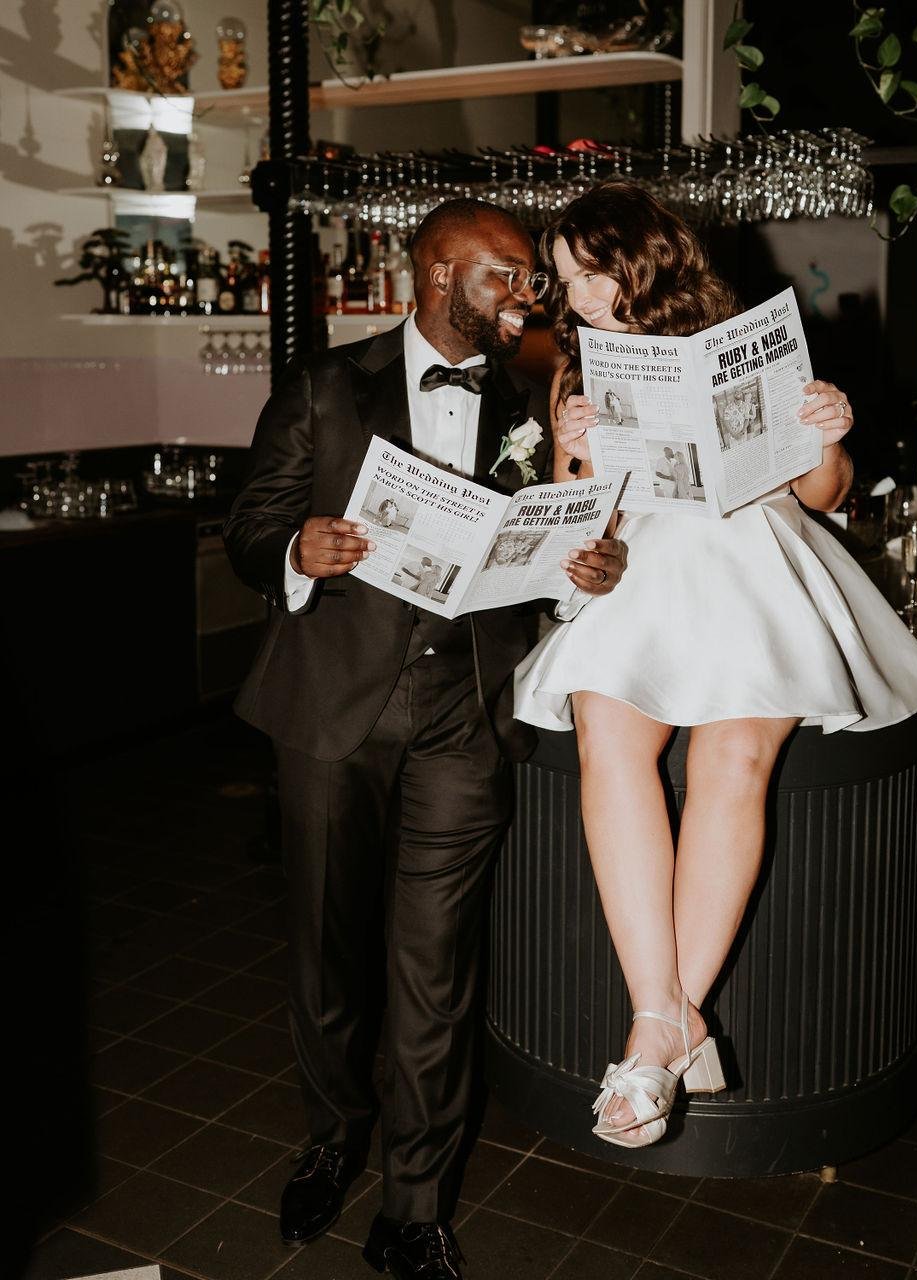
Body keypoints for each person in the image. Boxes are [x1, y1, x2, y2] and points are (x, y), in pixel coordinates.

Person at [224, 198, 626, 1275]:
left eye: (532, 280)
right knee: (326, 950)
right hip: (331, 709)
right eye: (508, 276)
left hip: (464, 715)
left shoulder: (538, 393)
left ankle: (412, 1201)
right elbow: (248, 526)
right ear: (442, 274)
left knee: (437, 966)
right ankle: (331, 1130)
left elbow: (555, 532)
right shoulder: (326, 384)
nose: (528, 296)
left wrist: (583, 573)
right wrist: (297, 550)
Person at [514, 181, 917, 1149]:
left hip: (754, 558)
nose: (576, 295)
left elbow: (823, 493)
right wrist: (571, 456)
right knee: (606, 738)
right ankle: (665, 1018)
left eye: (590, 270)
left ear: (646, 255)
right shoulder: (575, 366)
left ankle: (654, 1034)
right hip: (644, 573)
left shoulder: (746, 337)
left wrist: (828, 433)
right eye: (563, 277)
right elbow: (579, 524)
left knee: (729, 762)